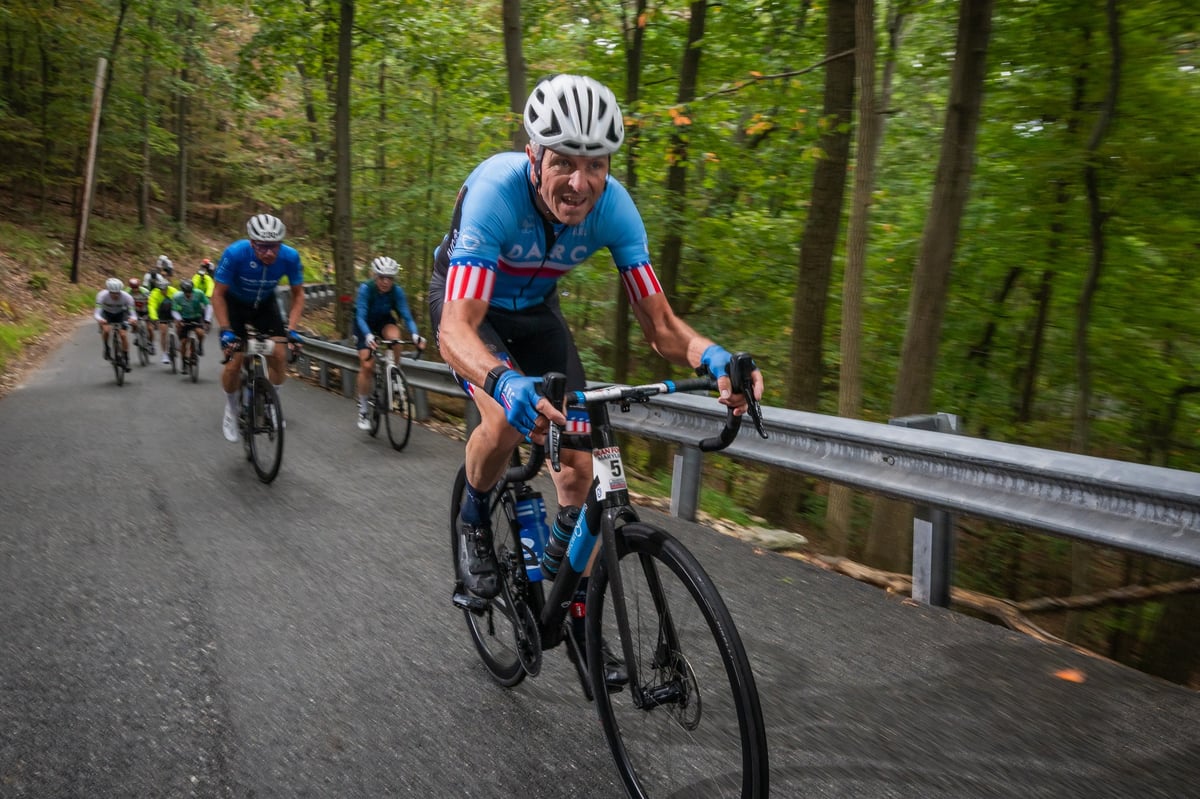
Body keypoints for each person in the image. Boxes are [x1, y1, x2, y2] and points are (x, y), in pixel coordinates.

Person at [429, 74, 764, 673]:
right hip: (471, 311)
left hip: (538, 315)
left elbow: (661, 327)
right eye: (562, 163)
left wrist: (713, 356)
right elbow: (456, 328)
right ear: (533, 156)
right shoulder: (494, 194)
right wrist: (503, 379)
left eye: (595, 165)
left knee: (584, 467)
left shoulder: (615, 208)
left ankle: (573, 606)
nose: (579, 183)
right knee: (505, 418)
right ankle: (474, 521)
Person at [212, 213, 305, 442]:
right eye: (262, 247)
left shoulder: (290, 257)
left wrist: (291, 330)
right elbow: (217, 294)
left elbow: (298, 295)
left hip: (265, 303)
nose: (269, 253)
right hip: (235, 304)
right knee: (234, 362)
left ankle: (273, 401)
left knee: (280, 353)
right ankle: (232, 409)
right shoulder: (235, 253)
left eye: (274, 247)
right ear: (252, 243)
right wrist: (226, 330)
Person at [353, 256, 426, 430]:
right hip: (364, 324)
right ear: (375, 276)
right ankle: (363, 409)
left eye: (390, 278)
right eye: (381, 278)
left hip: (384, 321)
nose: (386, 282)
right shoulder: (366, 289)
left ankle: (394, 371)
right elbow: (360, 316)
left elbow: (406, 315)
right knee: (367, 366)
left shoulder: (397, 291)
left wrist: (416, 335)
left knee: (396, 337)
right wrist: (368, 336)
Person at [94, 277, 137, 369]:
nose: (116, 295)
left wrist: (132, 319)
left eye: (118, 293)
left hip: (121, 314)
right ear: (108, 291)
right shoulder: (101, 295)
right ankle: (106, 348)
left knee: (123, 335)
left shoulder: (127, 297)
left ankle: (126, 358)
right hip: (106, 314)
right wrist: (100, 319)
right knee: (106, 330)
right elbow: (97, 313)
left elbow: (133, 314)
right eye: (113, 293)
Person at [170, 279, 212, 360]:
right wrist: (179, 319)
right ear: (183, 291)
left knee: (200, 333)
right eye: (186, 292)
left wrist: (207, 319)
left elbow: (208, 306)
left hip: (196, 316)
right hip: (184, 318)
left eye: (190, 291)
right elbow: (174, 310)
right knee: (184, 342)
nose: (188, 294)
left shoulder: (199, 293)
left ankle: (200, 345)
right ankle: (184, 363)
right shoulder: (177, 297)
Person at [147, 275, 176, 364]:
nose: (164, 291)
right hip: (162, 313)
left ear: (168, 287)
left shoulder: (173, 291)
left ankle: (178, 341)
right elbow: (152, 306)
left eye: (165, 289)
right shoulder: (155, 293)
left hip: (173, 311)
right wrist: (155, 318)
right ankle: (165, 354)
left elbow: (180, 301)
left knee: (180, 326)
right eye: (161, 289)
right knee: (163, 332)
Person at [127, 277, 153, 353]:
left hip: (145, 310)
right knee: (133, 323)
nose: (135, 289)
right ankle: (137, 336)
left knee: (150, 329)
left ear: (139, 286)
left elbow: (151, 302)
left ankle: (151, 344)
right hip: (134, 311)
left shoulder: (145, 291)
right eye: (133, 288)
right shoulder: (127, 292)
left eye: (136, 287)